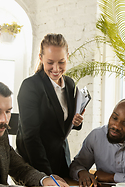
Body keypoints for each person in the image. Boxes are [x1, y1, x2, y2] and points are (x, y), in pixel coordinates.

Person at [16, 33, 84, 178]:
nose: (56, 68)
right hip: (35, 163)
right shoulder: (30, 86)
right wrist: (46, 175)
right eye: (50, 62)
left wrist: (76, 122)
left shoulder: (70, 84)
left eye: (61, 62)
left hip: (61, 159)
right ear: (41, 58)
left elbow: (61, 124)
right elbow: (31, 137)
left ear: (68, 57)